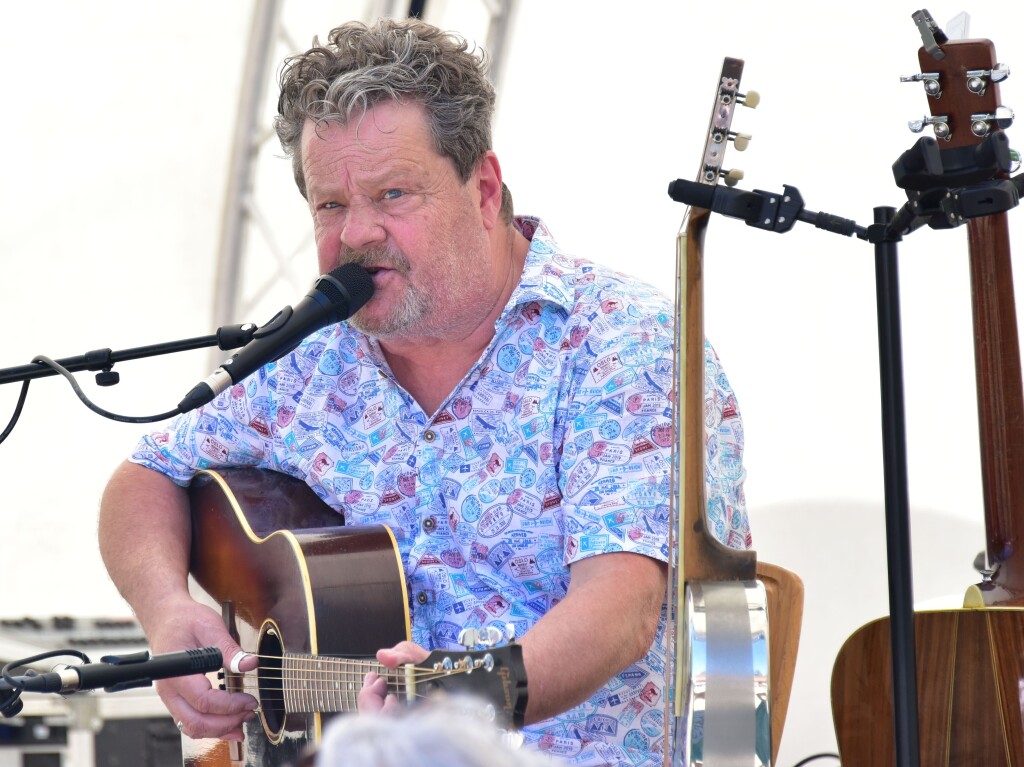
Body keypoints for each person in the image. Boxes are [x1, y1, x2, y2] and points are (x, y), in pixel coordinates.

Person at [97, 16, 751, 767]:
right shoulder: (308, 359)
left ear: (483, 188)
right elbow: (145, 473)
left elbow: (620, 610)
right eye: (331, 205)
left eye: (393, 194)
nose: (357, 234)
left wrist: (439, 711)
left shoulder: (619, 343)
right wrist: (166, 608)